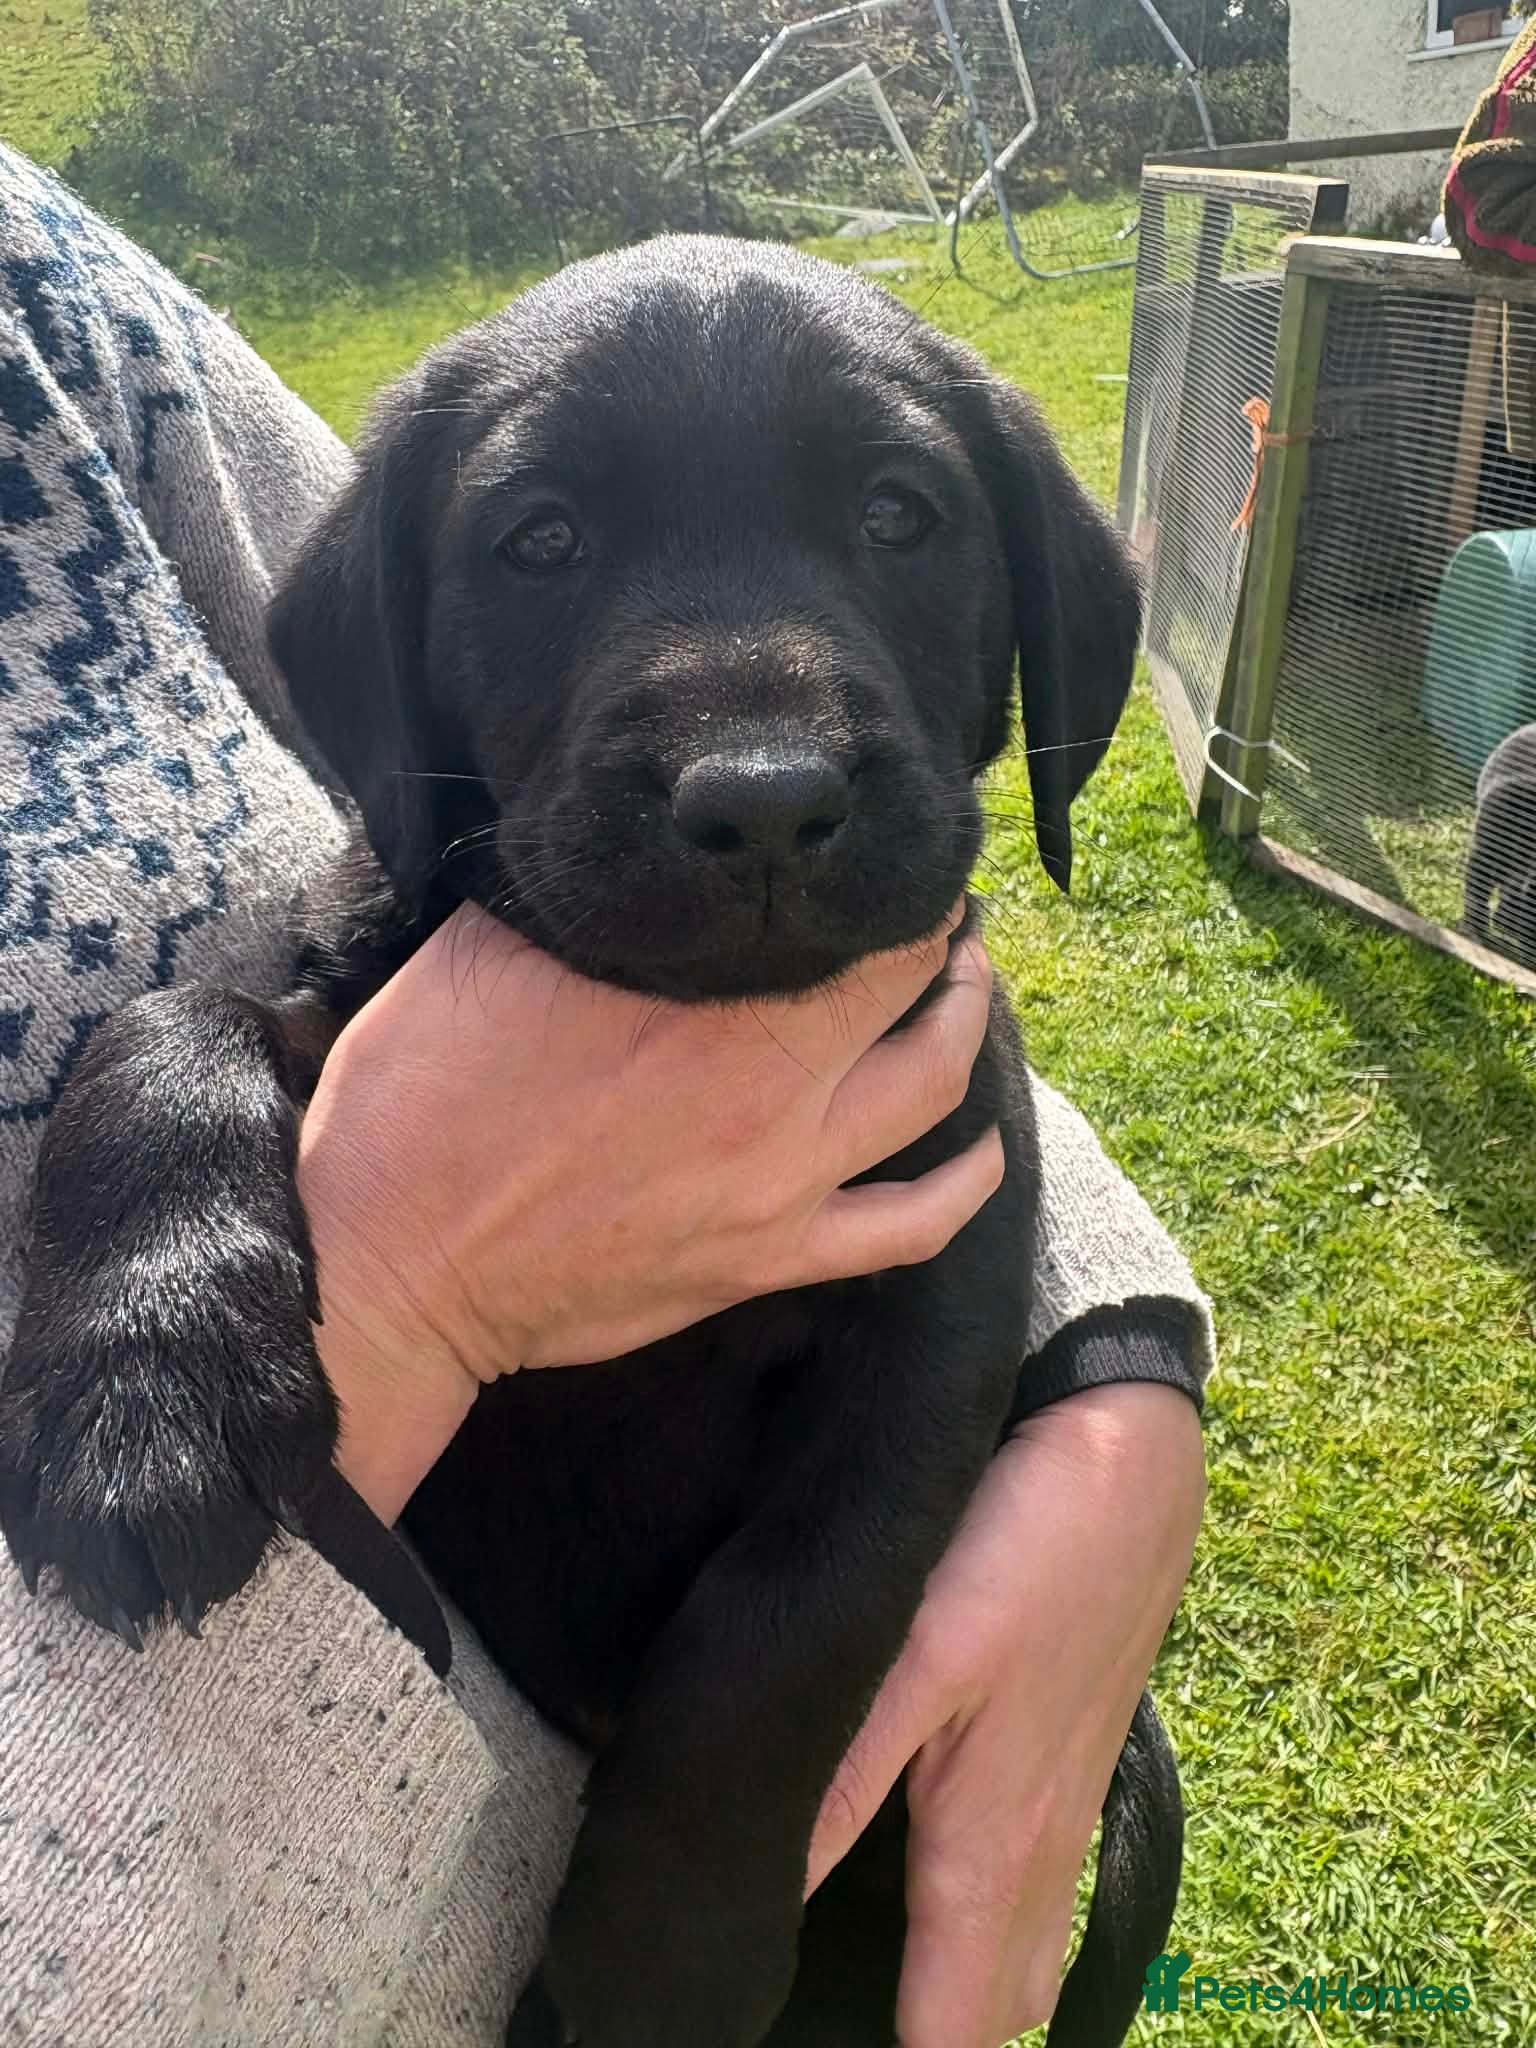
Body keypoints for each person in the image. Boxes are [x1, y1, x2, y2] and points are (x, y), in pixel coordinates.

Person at [0, 141, 1210, 2048]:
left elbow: (923, 1392)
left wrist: (1123, 1398)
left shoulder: (48, 302)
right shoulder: (363, 959)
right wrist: (276, 1211)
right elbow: (235, 1028)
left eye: (895, 513)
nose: (755, 756)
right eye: (549, 546)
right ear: (394, 662)